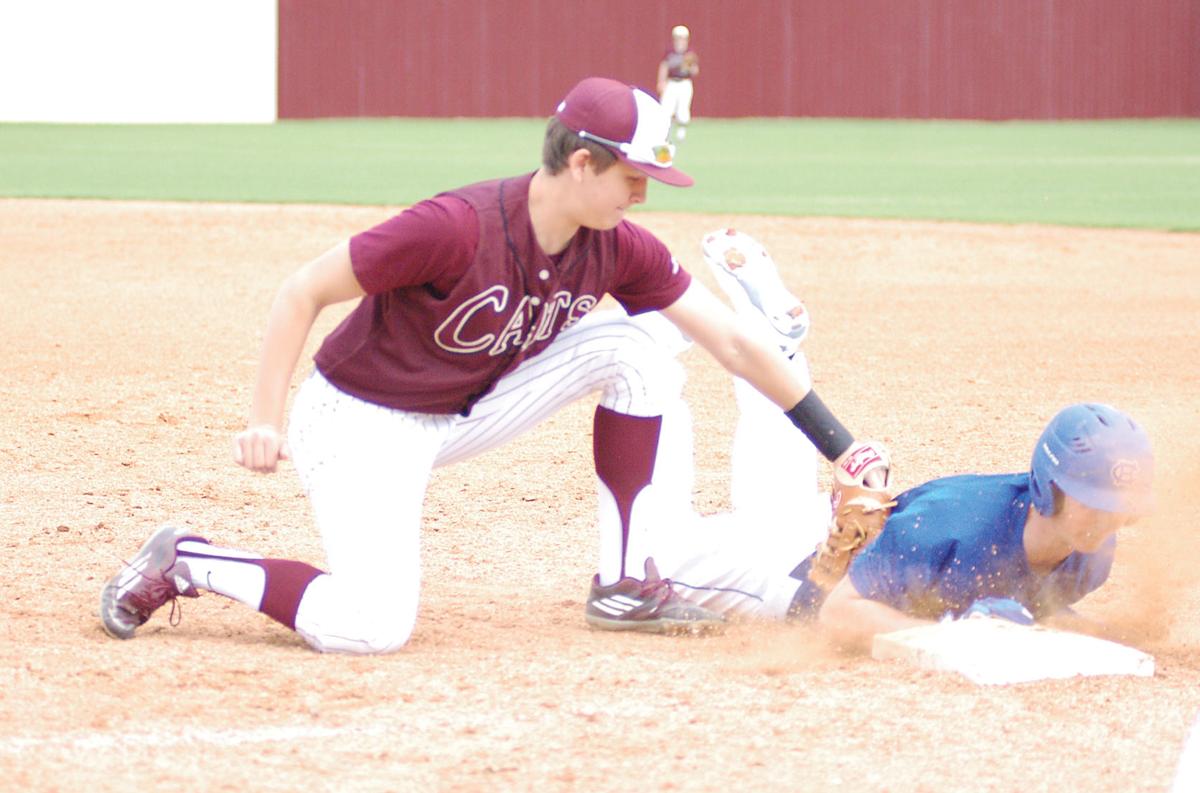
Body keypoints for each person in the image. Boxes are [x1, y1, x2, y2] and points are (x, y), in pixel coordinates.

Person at [98, 77, 881, 654]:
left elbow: (735, 342)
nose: (643, 196)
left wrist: (841, 446)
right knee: (371, 626)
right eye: (633, 177)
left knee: (637, 351)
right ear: (583, 163)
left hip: (464, 406)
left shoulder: (619, 248)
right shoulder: (453, 228)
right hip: (358, 422)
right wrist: (265, 418)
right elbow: (302, 289)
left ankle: (623, 582)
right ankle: (191, 559)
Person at [632, 233, 1155, 651]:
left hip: (832, 531)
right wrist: (953, 635)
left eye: (1118, 508)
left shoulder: (1089, 556)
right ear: (1047, 489)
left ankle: (776, 346)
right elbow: (838, 614)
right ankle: (650, 370)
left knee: (773, 501)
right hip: (800, 577)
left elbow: (1028, 605)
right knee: (655, 557)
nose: (1107, 520)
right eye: (1092, 502)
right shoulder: (959, 524)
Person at [656, 25, 698, 143]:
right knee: (666, 109)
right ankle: (665, 134)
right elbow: (664, 67)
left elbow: (695, 71)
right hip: (671, 82)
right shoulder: (670, 52)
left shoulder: (690, 53)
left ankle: (681, 133)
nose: (680, 40)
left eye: (683, 38)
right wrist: (661, 81)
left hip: (684, 83)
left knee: (683, 110)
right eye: (678, 38)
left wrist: (689, 66)